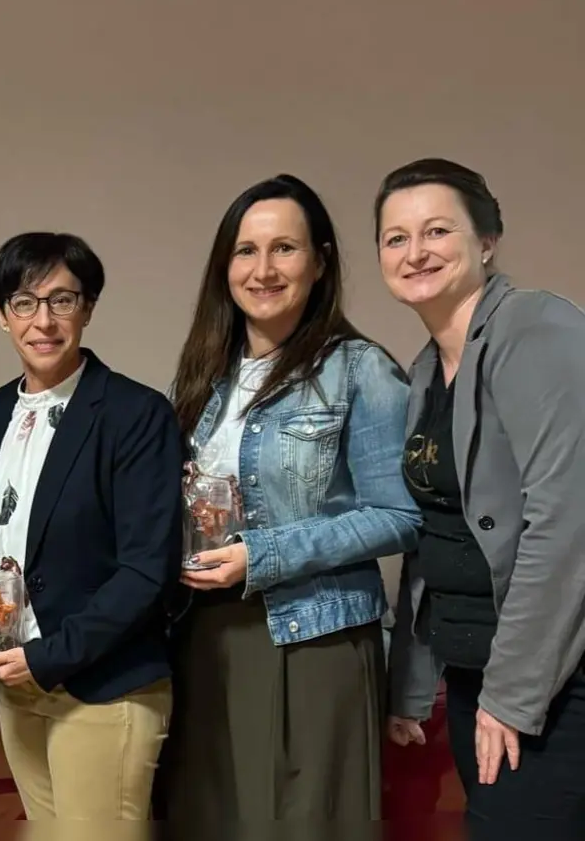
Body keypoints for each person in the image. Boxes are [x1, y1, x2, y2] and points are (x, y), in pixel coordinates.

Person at [159, 174, 420, 831]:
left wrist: (263, 554)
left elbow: (401, 515)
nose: (263, 269)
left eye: (285, 249)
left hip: (315, 641)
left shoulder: (360, 368)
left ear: (321, 261)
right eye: (246, 250)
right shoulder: (204, 376)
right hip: (206, 636)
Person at [379, 158, 585, 837]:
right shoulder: (425, 369)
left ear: (486, 240)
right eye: (395, 237)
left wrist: (513, 695)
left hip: (554, 677)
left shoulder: (535, 330)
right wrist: (414, 687)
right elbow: (433, 535)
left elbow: (566, 523)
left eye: (436, 230)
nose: (415, 253)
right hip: (476, 672)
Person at [0, 232, 181, 825]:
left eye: (63, 300)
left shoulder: (136, 414)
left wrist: (51, 656)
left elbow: (145, 571)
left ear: (88, 308)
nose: (44, 320)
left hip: (105, 687)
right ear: (3, 316)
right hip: (17, 686)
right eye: (25, 302)